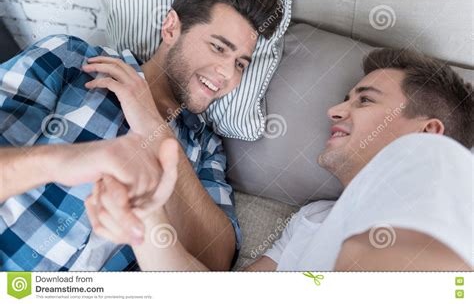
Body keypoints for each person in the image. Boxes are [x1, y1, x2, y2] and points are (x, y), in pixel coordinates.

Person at [0, 0, 283, 271]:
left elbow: (216, 264)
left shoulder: (204, 148)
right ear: (171, 28)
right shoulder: (71, 60)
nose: (228, 74)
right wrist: (65, 160)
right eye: (217, 47)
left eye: (240, 63)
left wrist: (156, 131)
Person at [88, 48, 473, 271]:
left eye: (365, 100)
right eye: (347, 97)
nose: (335, 111)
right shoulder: (311, 219)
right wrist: (146, 217)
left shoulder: (448, 177)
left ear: (428, 134)